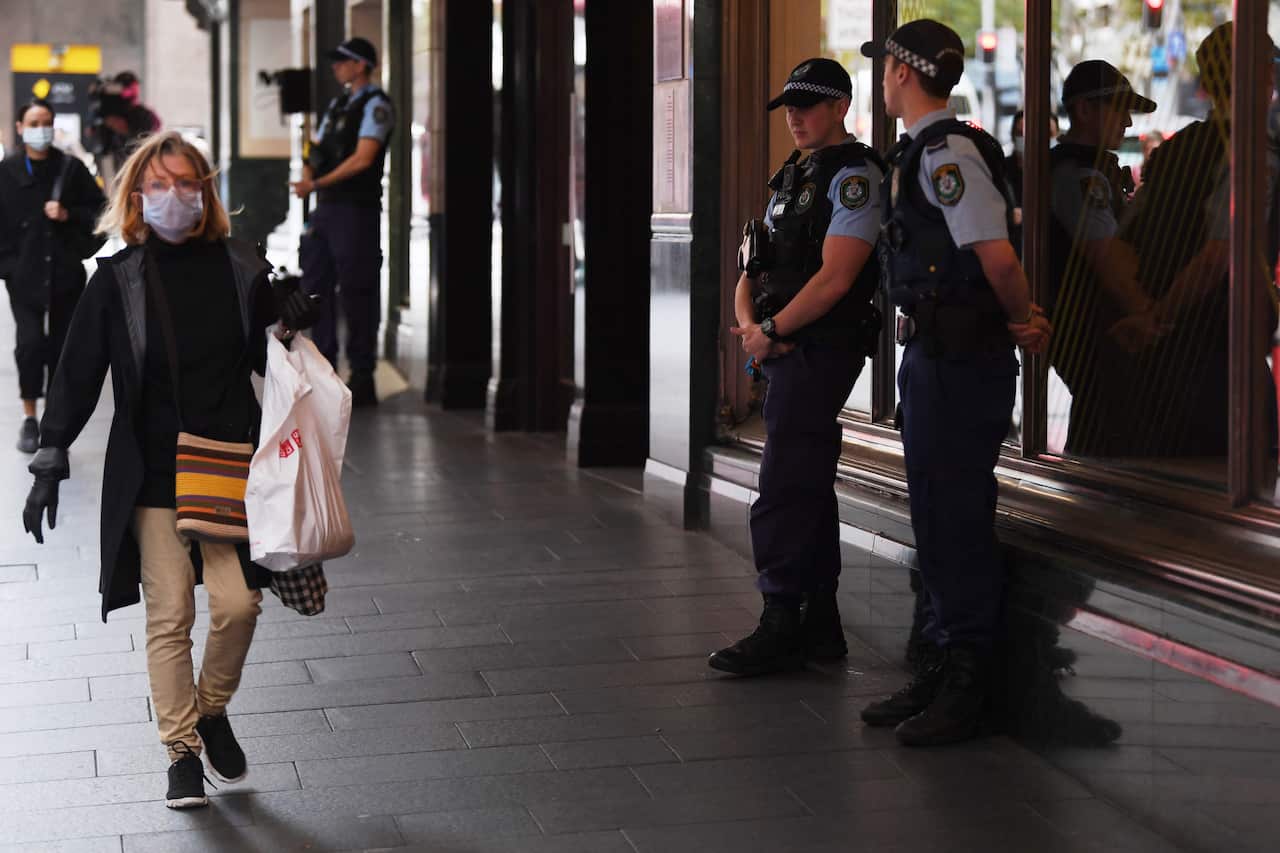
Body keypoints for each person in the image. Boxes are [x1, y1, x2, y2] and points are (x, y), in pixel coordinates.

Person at [20, 131, 316, 809]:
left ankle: (211, 708)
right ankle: (181, 751)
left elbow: (273, 353)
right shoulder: (118, 277)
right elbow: (78, 371)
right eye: (158, 185)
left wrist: (294, 318)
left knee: (238, 604)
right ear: (136, 196)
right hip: (152, 471)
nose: (172, 196)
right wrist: (51, 454)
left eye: (186, 183)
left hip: (229, 467)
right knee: (171, 611)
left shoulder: (241, 266)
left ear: (206, 192)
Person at [858, 19, 1051, 746]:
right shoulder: (918, 151)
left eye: (885, 68)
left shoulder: (949, 154)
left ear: (904, 73)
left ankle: (969, 678)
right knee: (936, 515)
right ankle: (939, 663)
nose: (882, 80)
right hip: (934, 356)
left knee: (957, 518)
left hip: (962, 360)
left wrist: (1022, 318)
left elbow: (996, 257)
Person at [708, 58, 884, 676]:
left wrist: (772, 332)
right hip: (781, 347)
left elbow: (837, 278)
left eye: (807, 105)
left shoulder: (855, 176)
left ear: (840, 107)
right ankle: (818, 622)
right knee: (803, 481)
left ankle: (782, 617)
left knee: (783, 485)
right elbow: (750, 270)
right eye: (788, 106)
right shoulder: (791, 177)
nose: (794, 117)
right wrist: (754, 331)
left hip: (820, 348)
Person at [1109, 22, 1278, 458]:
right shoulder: (1253, 153)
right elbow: (1217, 256)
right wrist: (1161, 315)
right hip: (1222, 356)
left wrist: (1145, 316)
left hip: (1160, 360)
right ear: (1261, 75)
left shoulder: (1173, 150)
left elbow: (1124, 241)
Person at [1046, 61, 1155, 456]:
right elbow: (1107, 257)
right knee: (1106, 431)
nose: (1127, 122)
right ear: (1085, 110)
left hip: (1098, 325)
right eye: (1118, 109)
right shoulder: (1077, 174)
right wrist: (1149, 315)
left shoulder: (1094, 168)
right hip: (1090, 326)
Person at [291, 37, 394, 407]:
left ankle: (362, 374)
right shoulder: (337, 106)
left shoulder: (376, 105)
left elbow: (363, 158)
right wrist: (309, 174)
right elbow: (314, 148)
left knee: (356, 289)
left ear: (361, 65)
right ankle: (324, 369)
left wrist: (316, 183)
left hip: (356, 209)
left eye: (343, 61)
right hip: (327, 209)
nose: (336, 67)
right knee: (316, 286)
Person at [0, 98, 106, 453]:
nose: (41, 129)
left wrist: (68, 215)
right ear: (20, 128)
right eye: (33, 122)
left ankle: (54, 420)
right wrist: (9, 268)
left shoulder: (71, 169)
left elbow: (100, 214)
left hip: (65, 276)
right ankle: (29, 416)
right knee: (29, 346)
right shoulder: (6, 172)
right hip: (24, 278)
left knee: (63, 350)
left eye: (46, 121)